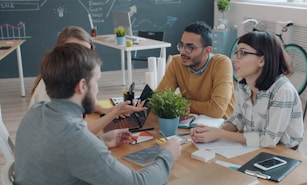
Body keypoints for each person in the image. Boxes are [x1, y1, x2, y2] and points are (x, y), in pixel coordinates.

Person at [14, 43, 181, 184]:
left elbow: (58, 155)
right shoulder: (74, 138)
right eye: (96, 81)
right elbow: (139, 182)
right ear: (82, 86)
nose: (97, 89)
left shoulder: (35, 112)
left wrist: (100, 141)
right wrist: (168, 154)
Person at [190, 31, 304, 149]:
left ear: (262, 60)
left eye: (242, 53)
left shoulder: (283, 91)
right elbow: (238, 118)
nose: (234, 59)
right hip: (257, 147)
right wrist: (213, 132)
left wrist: (222, 134)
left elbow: (269, 140)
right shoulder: (244, 84)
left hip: (284, 152)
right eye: (236, 52)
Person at [29, 26, 145, 134]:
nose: (82, 58)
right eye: (74, 51)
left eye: (86, 52)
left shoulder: (68, 78)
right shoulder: (54, 88)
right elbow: (80, 134)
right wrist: (113, 114)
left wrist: (107, 110)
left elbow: (88, 102)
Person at [156, 21, 235, 119]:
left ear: (207, 51)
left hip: (221, 127)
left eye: (190, 47)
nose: (182, 51)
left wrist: (182, 103)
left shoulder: (221, 63)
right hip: (190, 124)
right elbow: (159, 99)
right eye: (181, 45)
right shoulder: (176, 62)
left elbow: (217, 110)